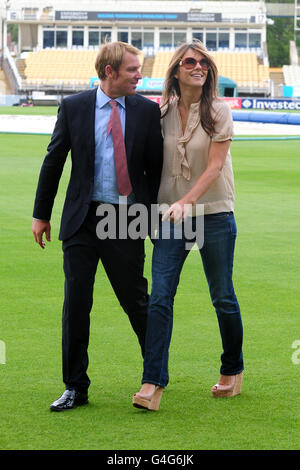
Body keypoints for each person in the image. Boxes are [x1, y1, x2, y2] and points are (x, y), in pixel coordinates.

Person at [32, 41, 163, 411]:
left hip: (126, 218)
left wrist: (152, 218)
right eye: (133, 70)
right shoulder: (74, 107)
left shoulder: (146, 111)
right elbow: (54, 160)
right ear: (110, 72)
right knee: (76, 304)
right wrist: (41, 214)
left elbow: (155, 171)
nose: (140, 75)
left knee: (137, 302)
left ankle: (155, 375)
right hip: (82, 220)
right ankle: (76, 387)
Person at [133, 40, 244, 411]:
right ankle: (152, 383)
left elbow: (214, 167)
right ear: (176, 69)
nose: (199, 66)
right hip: (169, 217)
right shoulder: (159, 112)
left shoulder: (219, 111)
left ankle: (232, 370)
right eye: (190, 61)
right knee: (161, 296)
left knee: (222, 297)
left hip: (212, 212)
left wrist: (186, 202)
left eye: (204, 62)